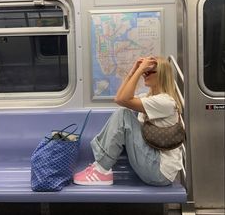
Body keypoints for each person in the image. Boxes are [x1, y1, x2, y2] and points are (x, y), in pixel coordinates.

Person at [73, 56, 183, 186]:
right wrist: (133, 71)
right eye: (144, 72)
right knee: (123, 112)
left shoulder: (165, 102)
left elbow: (123, 101)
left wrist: (140, 69)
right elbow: (119, 98)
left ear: (161, 75)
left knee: (123, 115)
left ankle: (101, 170)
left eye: (148, 72)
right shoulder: (151, 98)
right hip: (152, 163)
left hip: (159, 170)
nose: (144, 75)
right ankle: (100, 168)